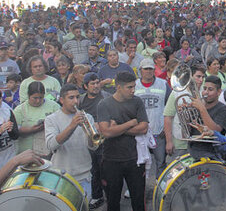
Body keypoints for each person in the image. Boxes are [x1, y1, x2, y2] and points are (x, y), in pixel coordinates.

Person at [97, 71, 149, 211]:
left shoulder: (137, 101)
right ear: (118, 87)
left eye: (134, 87)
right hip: (111, 160)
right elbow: (106, 132)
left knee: (138, 201)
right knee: (113, 202)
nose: (133, 90)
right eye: (129, 87)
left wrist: (118, 128)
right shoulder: (104, 104)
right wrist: (130, 123)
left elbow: (143, 128)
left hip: (135, 159)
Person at [45, 84, 96, 198]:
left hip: (84, 174)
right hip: (61, 176)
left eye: (77, 97)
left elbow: (93, 147)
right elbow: (51, 145)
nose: (76, 101)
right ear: (62, 100)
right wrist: (72, 126)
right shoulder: (51, 119)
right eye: (71, 98)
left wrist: (90, 135)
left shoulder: (87, 117)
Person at [134, 58, 171, 178]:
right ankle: (139, 186)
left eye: (151, 69)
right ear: (141, 70)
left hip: (158, 131)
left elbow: (170, 106)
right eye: (146, 69)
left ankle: (159, 186)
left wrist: (166, 128)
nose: (148, 71)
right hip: (140, 132)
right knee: (139, 162)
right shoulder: (134, 85)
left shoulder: (163, 84)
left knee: (160, 162)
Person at [163, 64, 206, 160]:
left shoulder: (204, 93)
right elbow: (167, 117)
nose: (201, 80)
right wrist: (169, 141)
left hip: (198, 142)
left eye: (203, 77)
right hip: (180, 143)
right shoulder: (177, 93)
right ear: (190, 77)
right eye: (198, 76)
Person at [79, 72, 109, 209]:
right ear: (85, 86)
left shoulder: (106, 97)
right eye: (92, 84)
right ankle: (97, 196)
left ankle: (110, 195)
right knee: (93, 170)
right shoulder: (80, 100)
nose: (96, 86)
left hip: (105, 140)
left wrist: (101, 124)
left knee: (106, 169)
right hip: (87, 139)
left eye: (97, 82)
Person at [185, 75, 226, 159]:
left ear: (219, 92)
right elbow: (187, 132)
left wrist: (202, 109)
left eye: (210, 89)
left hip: (212, 154)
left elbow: (215, 131)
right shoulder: (197, 108)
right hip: (193, 151)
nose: (206, 92)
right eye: (204, 88)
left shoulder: (223, 109)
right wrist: (185, 115)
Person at [14, 81, 61, 156]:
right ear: (29, 95)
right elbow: (14, 130)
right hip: (26, 151)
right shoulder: (20, 110)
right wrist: (31, 129)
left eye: (41, 98)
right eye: (35, 98)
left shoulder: (54, 106)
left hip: (48, 151)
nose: (38, 101)